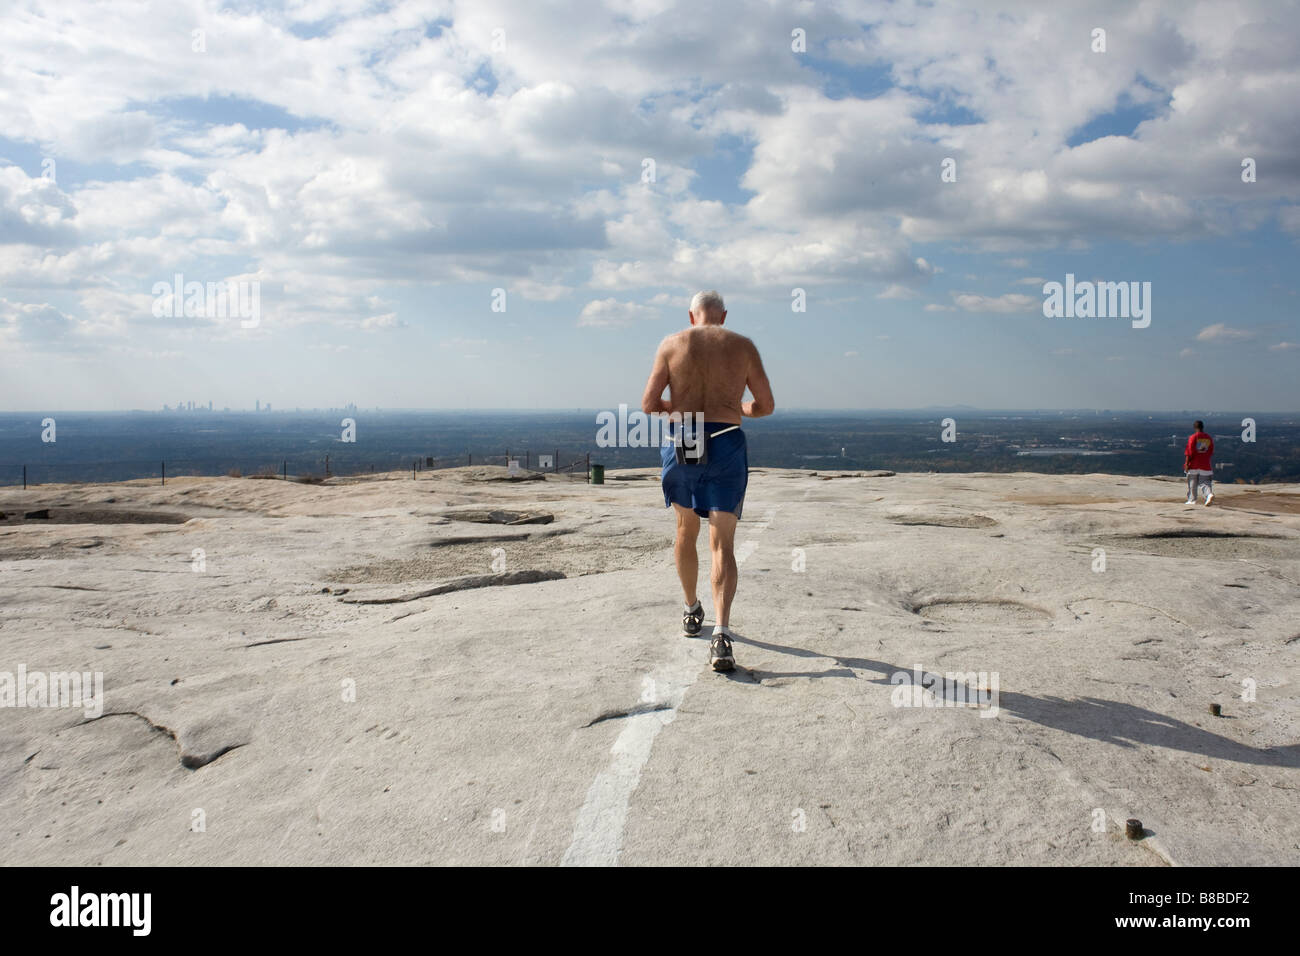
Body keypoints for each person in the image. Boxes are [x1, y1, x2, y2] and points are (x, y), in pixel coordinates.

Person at [640, 291, 775, 671]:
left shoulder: (672, 344)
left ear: (691, 315)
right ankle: (722, 634)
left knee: (686, 529)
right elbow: (765, 406)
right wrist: (737, 409)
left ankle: (690, 610)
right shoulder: (742, 346)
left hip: (683, 437)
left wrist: (679, 407)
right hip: (726, 441)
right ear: (724, 316)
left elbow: (649, 404)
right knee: (723, 542)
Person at [1184, 420, 1214, 506]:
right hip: (1205, 464)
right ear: (1202, 427)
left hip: (1193, 464)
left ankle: (1192, 500)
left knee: (1192, 483)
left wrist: (1187, 464)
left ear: (1194, 427)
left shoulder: (1193, 437)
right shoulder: (1209, 438)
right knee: (1205, 482)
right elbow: (1211, 451)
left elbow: (1189, 452)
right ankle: (1209, 495)